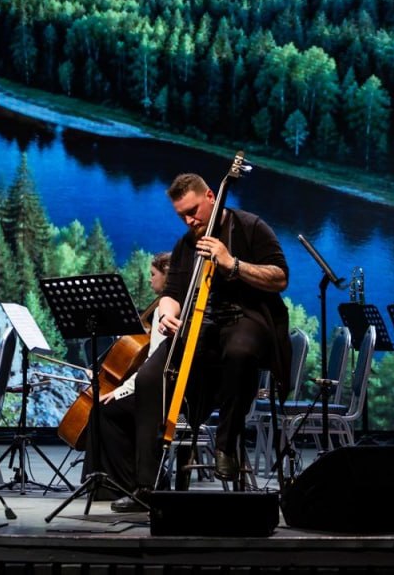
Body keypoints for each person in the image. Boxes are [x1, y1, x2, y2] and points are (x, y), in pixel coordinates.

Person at [110, 172, 289, 513]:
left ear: (211, 196)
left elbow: (280, 277)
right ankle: (146, 484)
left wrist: (231, 263)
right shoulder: (186, 244)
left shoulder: (251, 227)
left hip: (245, 318)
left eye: (193, 211)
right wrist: (167, 313)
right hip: (200, 326)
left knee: (240, 352)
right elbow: (172, 293)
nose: (190, 220)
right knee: (150, 379)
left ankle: (226, 444)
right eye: (182, 216)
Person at [80, 252, 170, 497]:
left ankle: (120, 484)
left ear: (167, 276)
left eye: (153, 275)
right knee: (110, 408)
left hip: (158, 395)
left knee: (104, 411)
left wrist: (120, 390)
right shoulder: (174, 304)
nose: (150, 280)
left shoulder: (166, 306)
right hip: (166, 390)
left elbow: (152, 365)